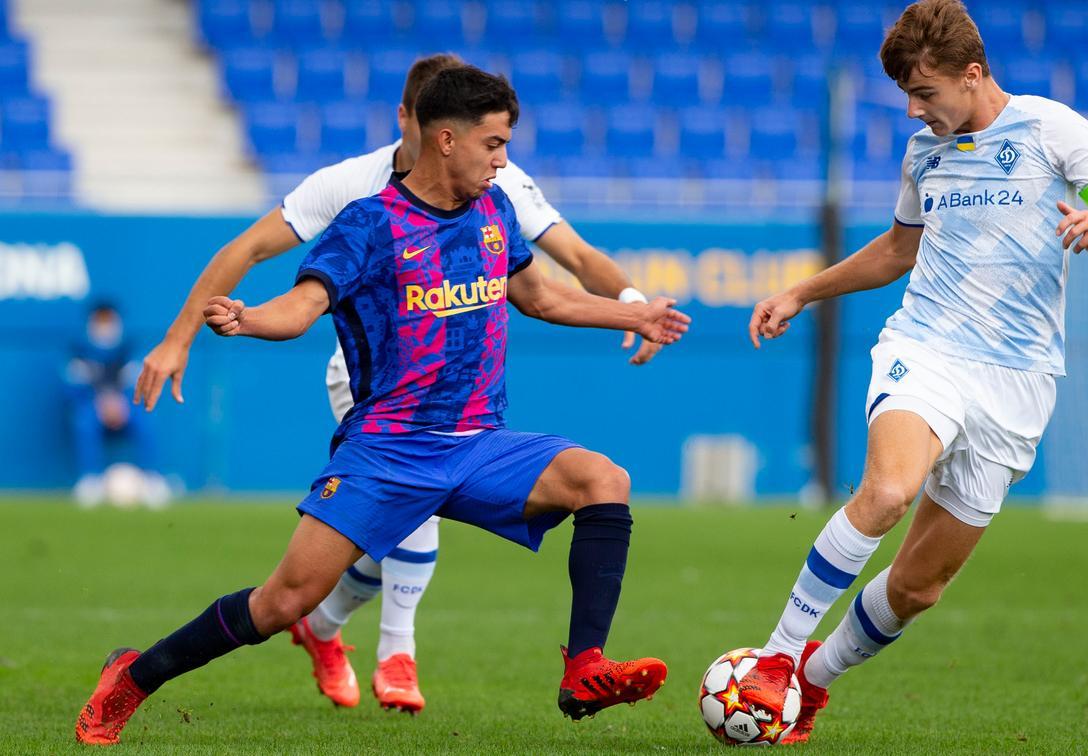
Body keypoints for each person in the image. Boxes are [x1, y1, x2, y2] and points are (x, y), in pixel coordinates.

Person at [76, 65, 687, 746]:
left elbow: (543, 296)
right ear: (446, 139)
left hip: (480, 441)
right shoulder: (369, 222)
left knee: (603, 480)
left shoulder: (496, 209)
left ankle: (584, 668)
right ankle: (133, 676)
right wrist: (246, 319)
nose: (503, 159)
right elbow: (302, 306)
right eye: (493, 143)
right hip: (390, 449)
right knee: (283, 602)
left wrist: (632, 315)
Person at [740, 0, 1088, 745]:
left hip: (1019, 380)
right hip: (927, 348)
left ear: (973, 75)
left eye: (926, 93)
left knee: (917, 588)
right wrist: (801, 290)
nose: (914, 109)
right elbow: (897, 252)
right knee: (888, 489)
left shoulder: (1052, 131)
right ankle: (775, 659)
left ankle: (810, 684)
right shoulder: (923, 153)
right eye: (907, 95)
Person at [66, 302, 169, 508]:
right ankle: (90, 480)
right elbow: (72, 387)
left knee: (144, 418)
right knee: (83, 421)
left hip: (125, 406)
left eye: (108, 320)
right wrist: (101, 402)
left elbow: (137, 382)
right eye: (100, 321)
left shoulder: (127, 349)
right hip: (93, 407)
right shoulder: (78, 351)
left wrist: (120, 403)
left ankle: (151, 478)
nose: (105, 326)